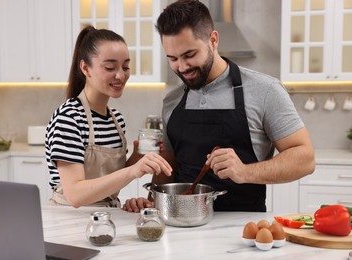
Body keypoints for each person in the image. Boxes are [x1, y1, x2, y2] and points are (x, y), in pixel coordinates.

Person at [122, 0, 315, 212]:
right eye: (172, 58)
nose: (182, 67)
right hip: (180, 223)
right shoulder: (172, 100)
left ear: (213, 40)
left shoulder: (265, 90)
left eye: (189, 55)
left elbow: (305, 158)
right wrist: (154, 201)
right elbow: (169, 162)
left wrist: (244, 172)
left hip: (240, 229)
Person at [45, 26, 172, 208]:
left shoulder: (116, 120)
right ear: (85, 68)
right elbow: (75, 195)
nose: (120, 75)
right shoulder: (69, 119)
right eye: (110, 67)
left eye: (126, 66)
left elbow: (109, 180)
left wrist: (136, 158)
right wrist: (133, 171)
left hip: (107, 215)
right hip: (70, 220)